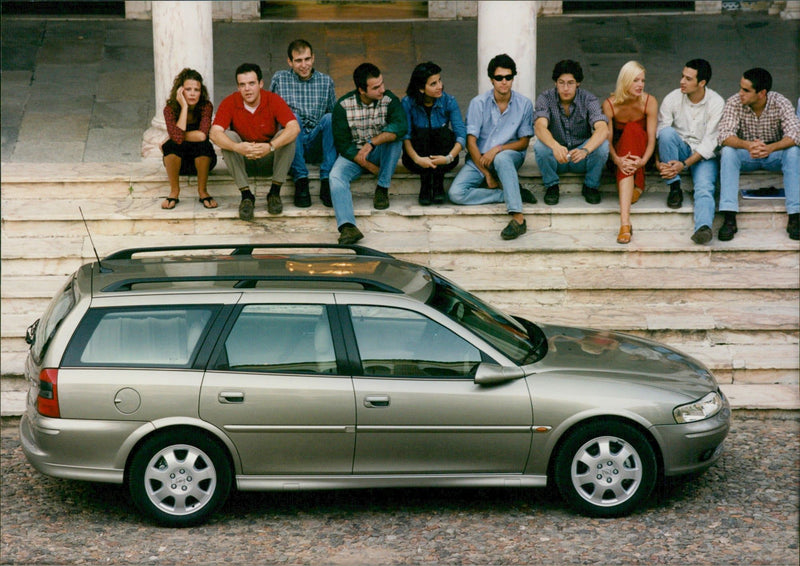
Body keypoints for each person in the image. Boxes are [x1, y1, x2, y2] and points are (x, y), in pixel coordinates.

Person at [447, 53, 536, 241]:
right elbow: (471, 142)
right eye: (499, 78)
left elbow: (524, 142)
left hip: (509, 156)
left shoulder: (524, 104)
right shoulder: (478, 103)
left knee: (503, 158)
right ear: (491, 80)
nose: (504, 82)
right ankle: (507, 193)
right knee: (456, 193)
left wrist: (498, 149)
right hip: (480, 160)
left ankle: (518, 219)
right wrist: (486, 173)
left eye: (508, 77)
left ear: (513, 78)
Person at [717, 68, 800, 241]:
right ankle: (729, 216)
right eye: (740, 88)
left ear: (762, 93)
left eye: (746, 90)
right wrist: (747, 145)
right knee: (727, 152)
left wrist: (771, 148)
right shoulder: (734, 102)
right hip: (747, 153)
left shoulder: (780, 102)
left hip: (773, 154)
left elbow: (796, 134)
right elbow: (724, 135)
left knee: (793, 152)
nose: (740, 93)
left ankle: (795, 216)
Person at [210, 63, 300, 221]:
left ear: (260, 84)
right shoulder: (230, 101)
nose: (247, 89)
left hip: (269, 159)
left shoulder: (272, 99)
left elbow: (294, 128)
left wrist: (271, 147)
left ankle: (274, 192)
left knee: (286, 135)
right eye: (242, 85)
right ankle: (246, 195)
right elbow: (214, 133)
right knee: (228, 136)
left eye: (251, 83)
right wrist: (237, 147)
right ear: (238, 87)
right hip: (244, 160)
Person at [329, 62, 407, 245]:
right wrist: (367, 164)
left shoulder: (389, 100)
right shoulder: (343, 106)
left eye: (382, 83)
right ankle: (347, 227)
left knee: (395, 140)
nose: (382, 89)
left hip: (379, 151)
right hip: (354, 156)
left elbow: (401, 126)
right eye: (376, 87)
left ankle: (382, 187)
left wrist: (373, 143)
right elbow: (343, 144)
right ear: (361, 90)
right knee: (335, 176)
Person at [656, 59, 725, 244]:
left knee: (704, 189)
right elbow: (660, 134)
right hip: (680, 149)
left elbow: (711, 142)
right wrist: (659, 162)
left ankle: (703, 227)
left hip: (703, 157)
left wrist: (685, 164)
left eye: (688, 78)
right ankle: (674, 187)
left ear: (701, 83)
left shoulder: (716, 102)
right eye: (682, 76)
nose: (682, 82)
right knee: (667, 133)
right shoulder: (672, 98)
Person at [270, 39, 337, 208]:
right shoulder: (280, 79)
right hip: (291, 142)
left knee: (330, 118)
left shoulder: (326, 81)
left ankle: (327, 180)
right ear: (290, 62)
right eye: (298, 61)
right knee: (293, 118)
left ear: (313, 58)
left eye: (307, 59)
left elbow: (333, 113)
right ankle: (301, 181)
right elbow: (269, 111)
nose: (304, 65)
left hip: (315, 141)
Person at [533, 59, 609, 206]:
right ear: (555, 83)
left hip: (580, 156)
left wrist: (585, 150)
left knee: (603, 146)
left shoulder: (588, 99)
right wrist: (555, 146)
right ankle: (551, 186)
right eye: (561, 83)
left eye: (570, 83)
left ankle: (591, 186)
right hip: (557, 156)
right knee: (539, 147)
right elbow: (540, 127)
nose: (566, 88)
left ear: (578, 83)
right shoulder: (545, 98)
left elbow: (602, 128)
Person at [602, 61, 658, 244]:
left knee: (633, 129)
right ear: (625, 82)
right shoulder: (610, 105)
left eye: (642, 80)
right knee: (628, 135)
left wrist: (642, 162)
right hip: (619, 157)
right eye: (635, 80)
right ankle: (637, 187)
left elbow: (651, 139)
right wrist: (618, 160)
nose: (640, 85)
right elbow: (607, 141)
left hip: (643, 155)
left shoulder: (649, 102)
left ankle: (625, 224)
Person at [401, 61, 466, 205]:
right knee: (422, 134)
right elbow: (405, 136)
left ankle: (438, 183)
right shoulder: (407, 103)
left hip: (444, 157)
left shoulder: (449, 101)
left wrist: (448, 158)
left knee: (442, 133)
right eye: (433, 84)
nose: (440, 86)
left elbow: (461, 134)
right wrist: (418, 159)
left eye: (440, 80)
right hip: (416, 157)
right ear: (421, 89)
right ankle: (425, 184)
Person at [160, 68, 217, 210]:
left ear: (201, 92)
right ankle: (174, 191)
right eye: (188, 89)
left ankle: (203, 191)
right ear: (180, 91)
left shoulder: (205, 106)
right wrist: (184, 107)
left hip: (203, 162)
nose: (192, 93)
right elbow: (178, 139)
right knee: (171, 146)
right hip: (179, 164)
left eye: (196, 90)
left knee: (202, 145)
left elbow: (202, 135)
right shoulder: (170, 109)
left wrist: (173, 135)